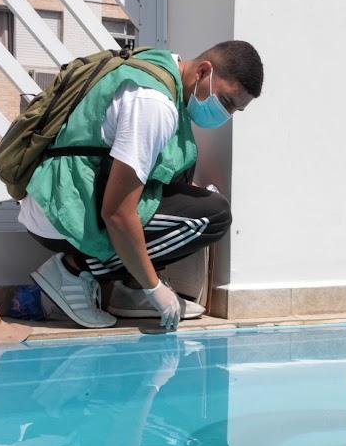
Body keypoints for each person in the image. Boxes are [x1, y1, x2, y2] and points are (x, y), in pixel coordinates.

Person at [18, 41, 264, 330]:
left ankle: (130, 291)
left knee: (185, 170)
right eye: (226, 102)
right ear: (203, 71)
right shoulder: (154, 104)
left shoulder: (161, 70)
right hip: (62, 214)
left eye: (236, 110)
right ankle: (73, 272)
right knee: (212, 217)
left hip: (62, 197)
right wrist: (154, 287)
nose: (227, 114)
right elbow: (117, 213)